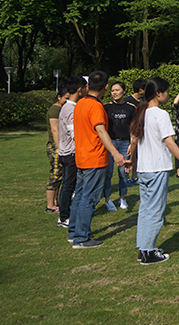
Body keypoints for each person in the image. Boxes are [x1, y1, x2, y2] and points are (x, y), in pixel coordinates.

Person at [129, 77, 179, 264]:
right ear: (158, 93)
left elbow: (134, 141)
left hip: (144, 169)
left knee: (145, 209)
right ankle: (148, 251)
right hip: (157, 167)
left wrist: (133, 166)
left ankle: (143, 248)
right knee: (155, 211)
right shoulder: (160, 115)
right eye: (167, 91)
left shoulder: (141, 113)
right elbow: (170, 142)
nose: (168, 95)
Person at [69, 71, 129, 249]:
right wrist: (117, 154)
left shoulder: (79, 104)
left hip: (81, 157)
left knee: (80, 196)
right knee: (88, 198)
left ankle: (73, 233)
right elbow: (101, 131)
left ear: (88, 86)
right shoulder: (96, 107)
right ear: (104, 87)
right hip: (94, 158)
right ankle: (81, 238)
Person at [57, 76, 87, 228]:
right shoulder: (70, 109)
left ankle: (66, 215)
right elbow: (74, 133)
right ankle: (63, 217)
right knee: (68, 186)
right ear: (80, 89)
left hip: (65, 152)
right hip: (70, 154)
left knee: (68, 185)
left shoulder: (68, 107)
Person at [103, 81, 135, 210]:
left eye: (117, 90)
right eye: (112, 91)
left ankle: (122, 198)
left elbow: (132, 127)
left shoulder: (131, 108)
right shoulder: (106, 107)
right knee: (108, 173)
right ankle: (107, 199)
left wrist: (131, 144)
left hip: (125, 143)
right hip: (110, 143)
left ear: (124, 91)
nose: (114, 93)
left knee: (123, 173)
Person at [45, 85, 69, 213]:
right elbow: (54, 130)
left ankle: (55, 202)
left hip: (60, 145)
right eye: (66, 98)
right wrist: (59, 147)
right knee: (54, 175)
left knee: (59, 174)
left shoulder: (61, 109)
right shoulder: (55, 110)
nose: (67, 100)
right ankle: (50, 205)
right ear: (59, 97)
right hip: (55, 146)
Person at [124, 78, 146, 184]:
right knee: (129, 155)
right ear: (141, 89)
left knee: (138, 155)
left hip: (140, 130)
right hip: (129, 131)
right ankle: (127, 177)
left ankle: (134, 176)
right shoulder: (127, 101)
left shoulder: (143, 101)